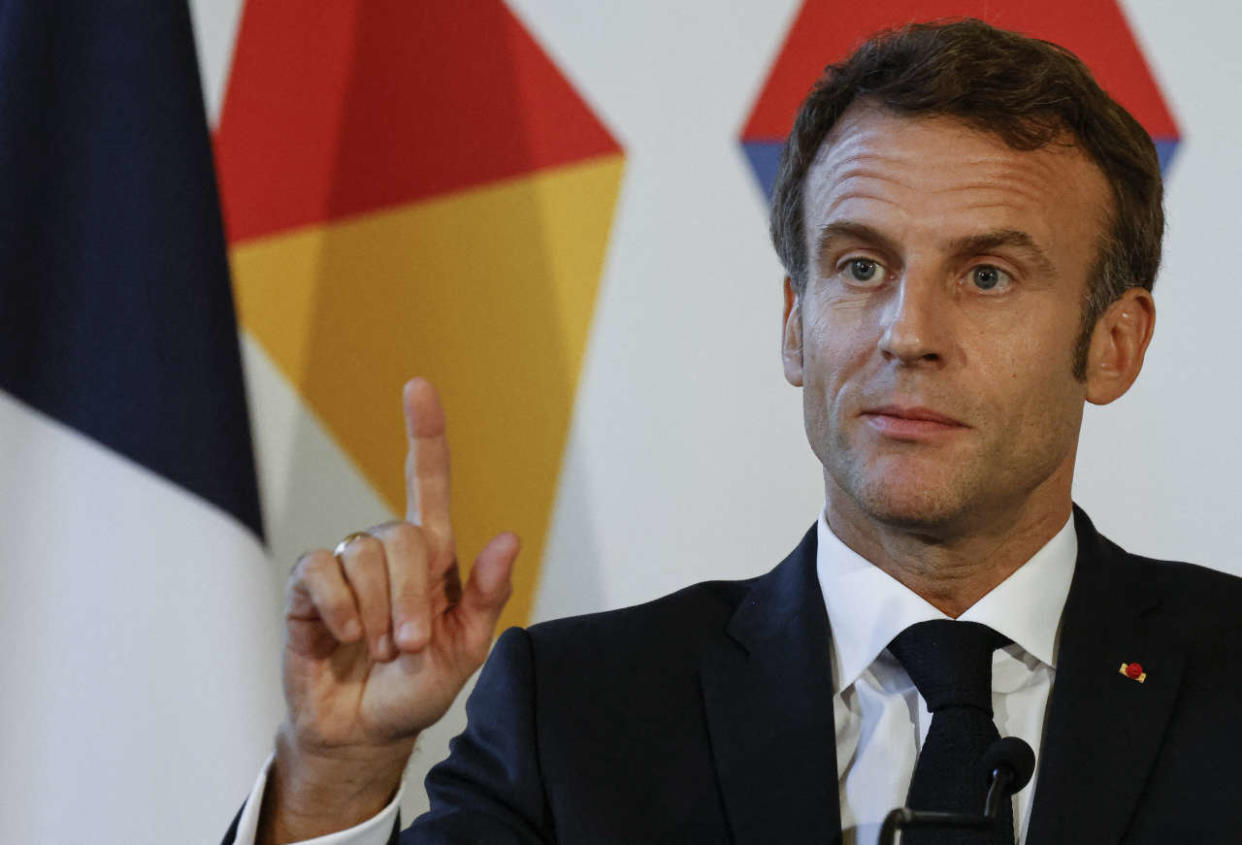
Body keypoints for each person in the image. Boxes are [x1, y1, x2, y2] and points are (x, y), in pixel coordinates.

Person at [224, 19, 1242, 845]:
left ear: (1114, 343)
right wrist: (336, 780)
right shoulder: (578, 713)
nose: (908, 334)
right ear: (795, 324)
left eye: (987, 274)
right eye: (860, 267)